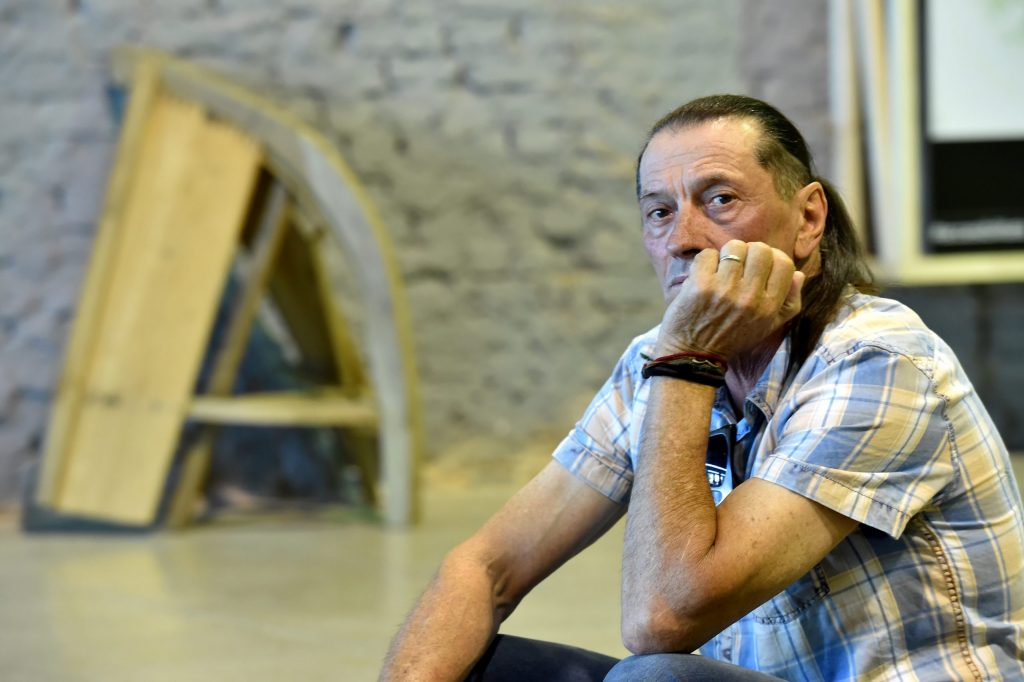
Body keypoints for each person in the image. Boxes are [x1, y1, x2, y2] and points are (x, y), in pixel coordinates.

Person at [379, 95, 1024, 681]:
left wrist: (689, 360)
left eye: (719, 200)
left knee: (657, 678)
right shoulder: (655, 359)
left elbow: (662, 619)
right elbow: (485, 567)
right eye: (659, 212)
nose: (683, 240)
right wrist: (682, 358)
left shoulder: (877, 359)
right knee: (475, 664)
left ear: (807, 219)